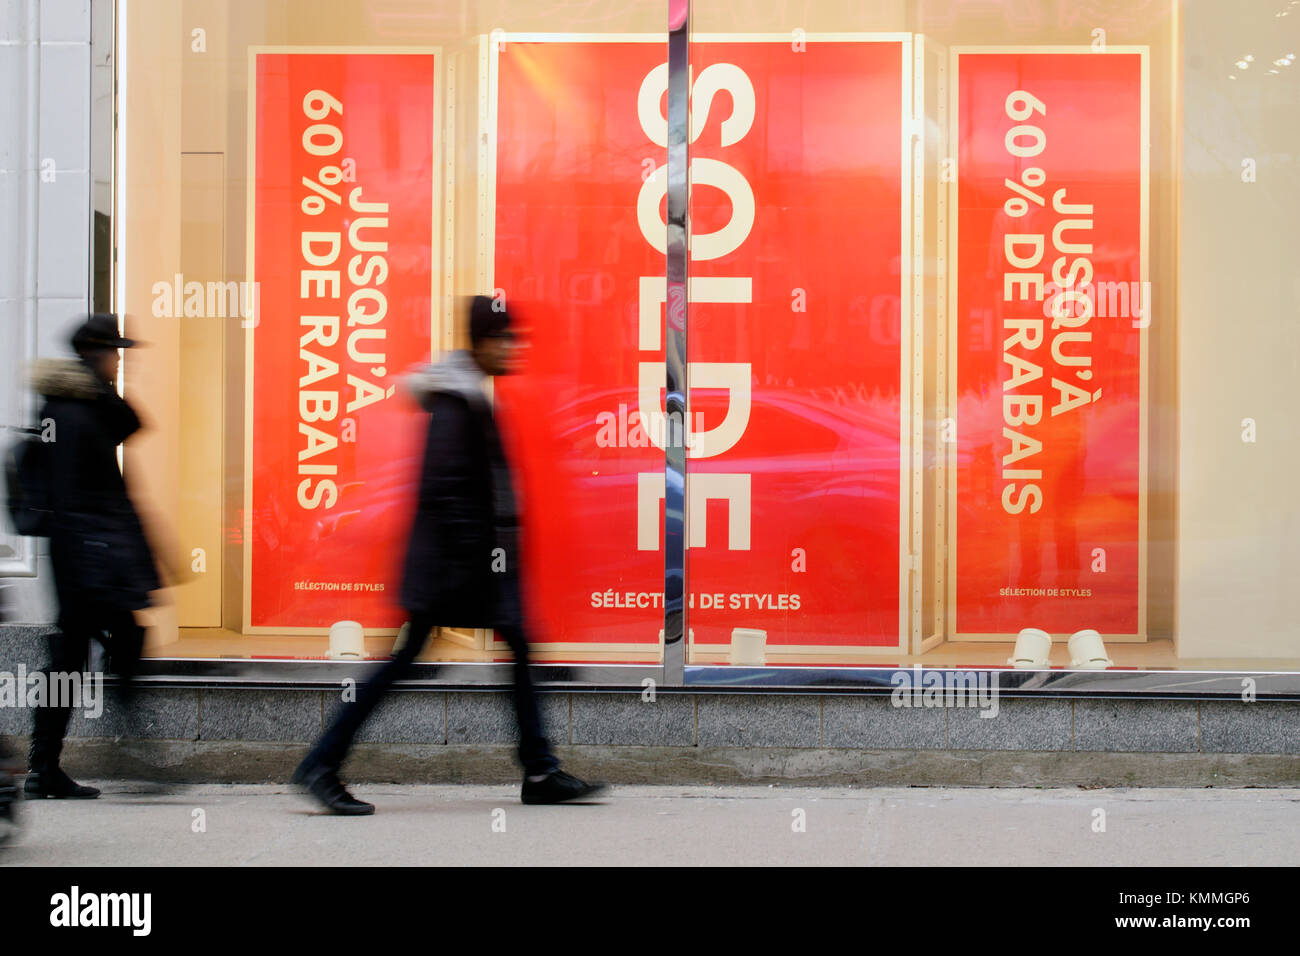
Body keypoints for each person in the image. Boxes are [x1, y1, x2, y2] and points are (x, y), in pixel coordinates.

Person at [293, 297, 604, 814]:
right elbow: (447, 492)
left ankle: (540, 768)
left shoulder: (464, 396)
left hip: (462, 568)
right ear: (483, 342)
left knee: (498, 652)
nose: (514, 349)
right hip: (456, 571)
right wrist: (484, 565)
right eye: (506, 339)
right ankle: (322, 764)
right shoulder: (456, 404)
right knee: (408, 663)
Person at [24, 314, 160, 799]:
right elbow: (72, 497)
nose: (119, 360)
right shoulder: (66, 412)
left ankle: (47, 767)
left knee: (73, 656)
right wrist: (101, 562)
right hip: (85, 559)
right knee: (102, 646)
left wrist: (97, 386)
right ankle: (131, 752)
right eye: (114, 353)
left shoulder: (79, 404)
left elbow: (131, 423)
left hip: (83, 558)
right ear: (95, 353)